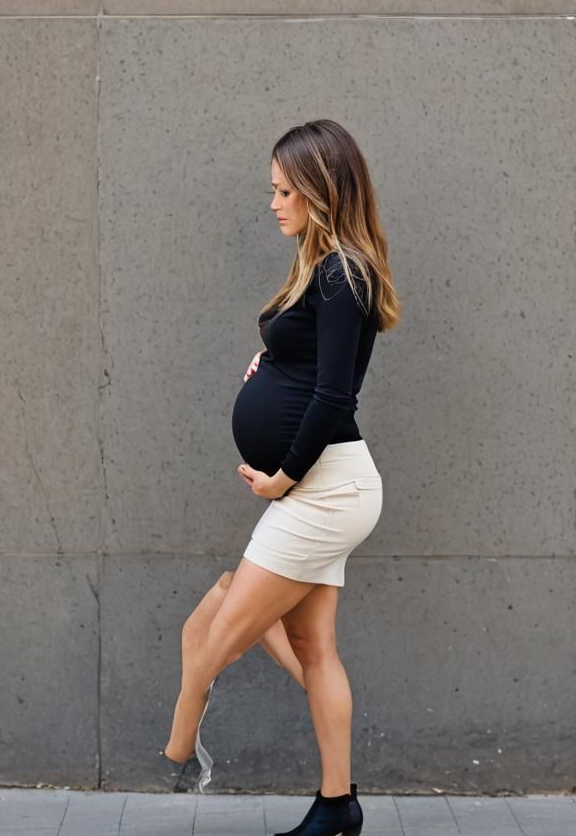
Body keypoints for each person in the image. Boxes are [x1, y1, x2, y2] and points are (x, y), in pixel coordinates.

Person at [160, 119, 400, 836]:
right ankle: (337, 807)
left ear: (322, 190)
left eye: (285, 190)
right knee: (313, 649)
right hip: (324, 487)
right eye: (273, 189)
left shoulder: (343, 272)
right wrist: (271, 363)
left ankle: (180, 743)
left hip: (323, 488)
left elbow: (336, 396)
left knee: (217, 630)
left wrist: (282, 477)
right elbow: (317, 369)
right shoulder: (325, 268)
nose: (274, 203)